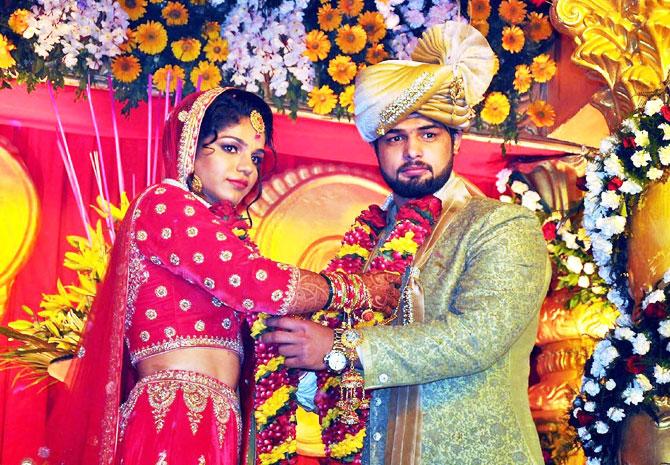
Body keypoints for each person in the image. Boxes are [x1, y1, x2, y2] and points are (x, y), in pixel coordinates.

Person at [45, 87, 400, 465]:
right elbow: (256, 283)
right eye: (231, 148)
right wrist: (358, 289)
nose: (247, 167)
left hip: (220, 419)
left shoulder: (224, 234)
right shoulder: (164, 202)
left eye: (256, 156)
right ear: (190, 149)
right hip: (173, 413)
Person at [262, 22, 551, 465]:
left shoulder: (501, 225)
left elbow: (476, 338)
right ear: (377, 149)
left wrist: (339, 348)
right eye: (396, 137)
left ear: (455, 140)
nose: (412, 150)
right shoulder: (367, 240)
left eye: (428, 134)